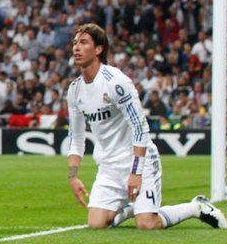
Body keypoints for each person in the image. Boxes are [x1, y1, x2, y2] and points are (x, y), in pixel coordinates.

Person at [66, 23, 225, 230]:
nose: (76, 47)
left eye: (84, 42)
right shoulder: (74, 90)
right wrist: (73, 176)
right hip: (108, 168)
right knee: (96, 224)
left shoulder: (116, 82)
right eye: (75, 43)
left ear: (98, 49)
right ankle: (135, 207)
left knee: (147, 224)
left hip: (139, 161)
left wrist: (136, 172)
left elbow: (140, 127)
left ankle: (195, 207)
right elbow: (76, 138)